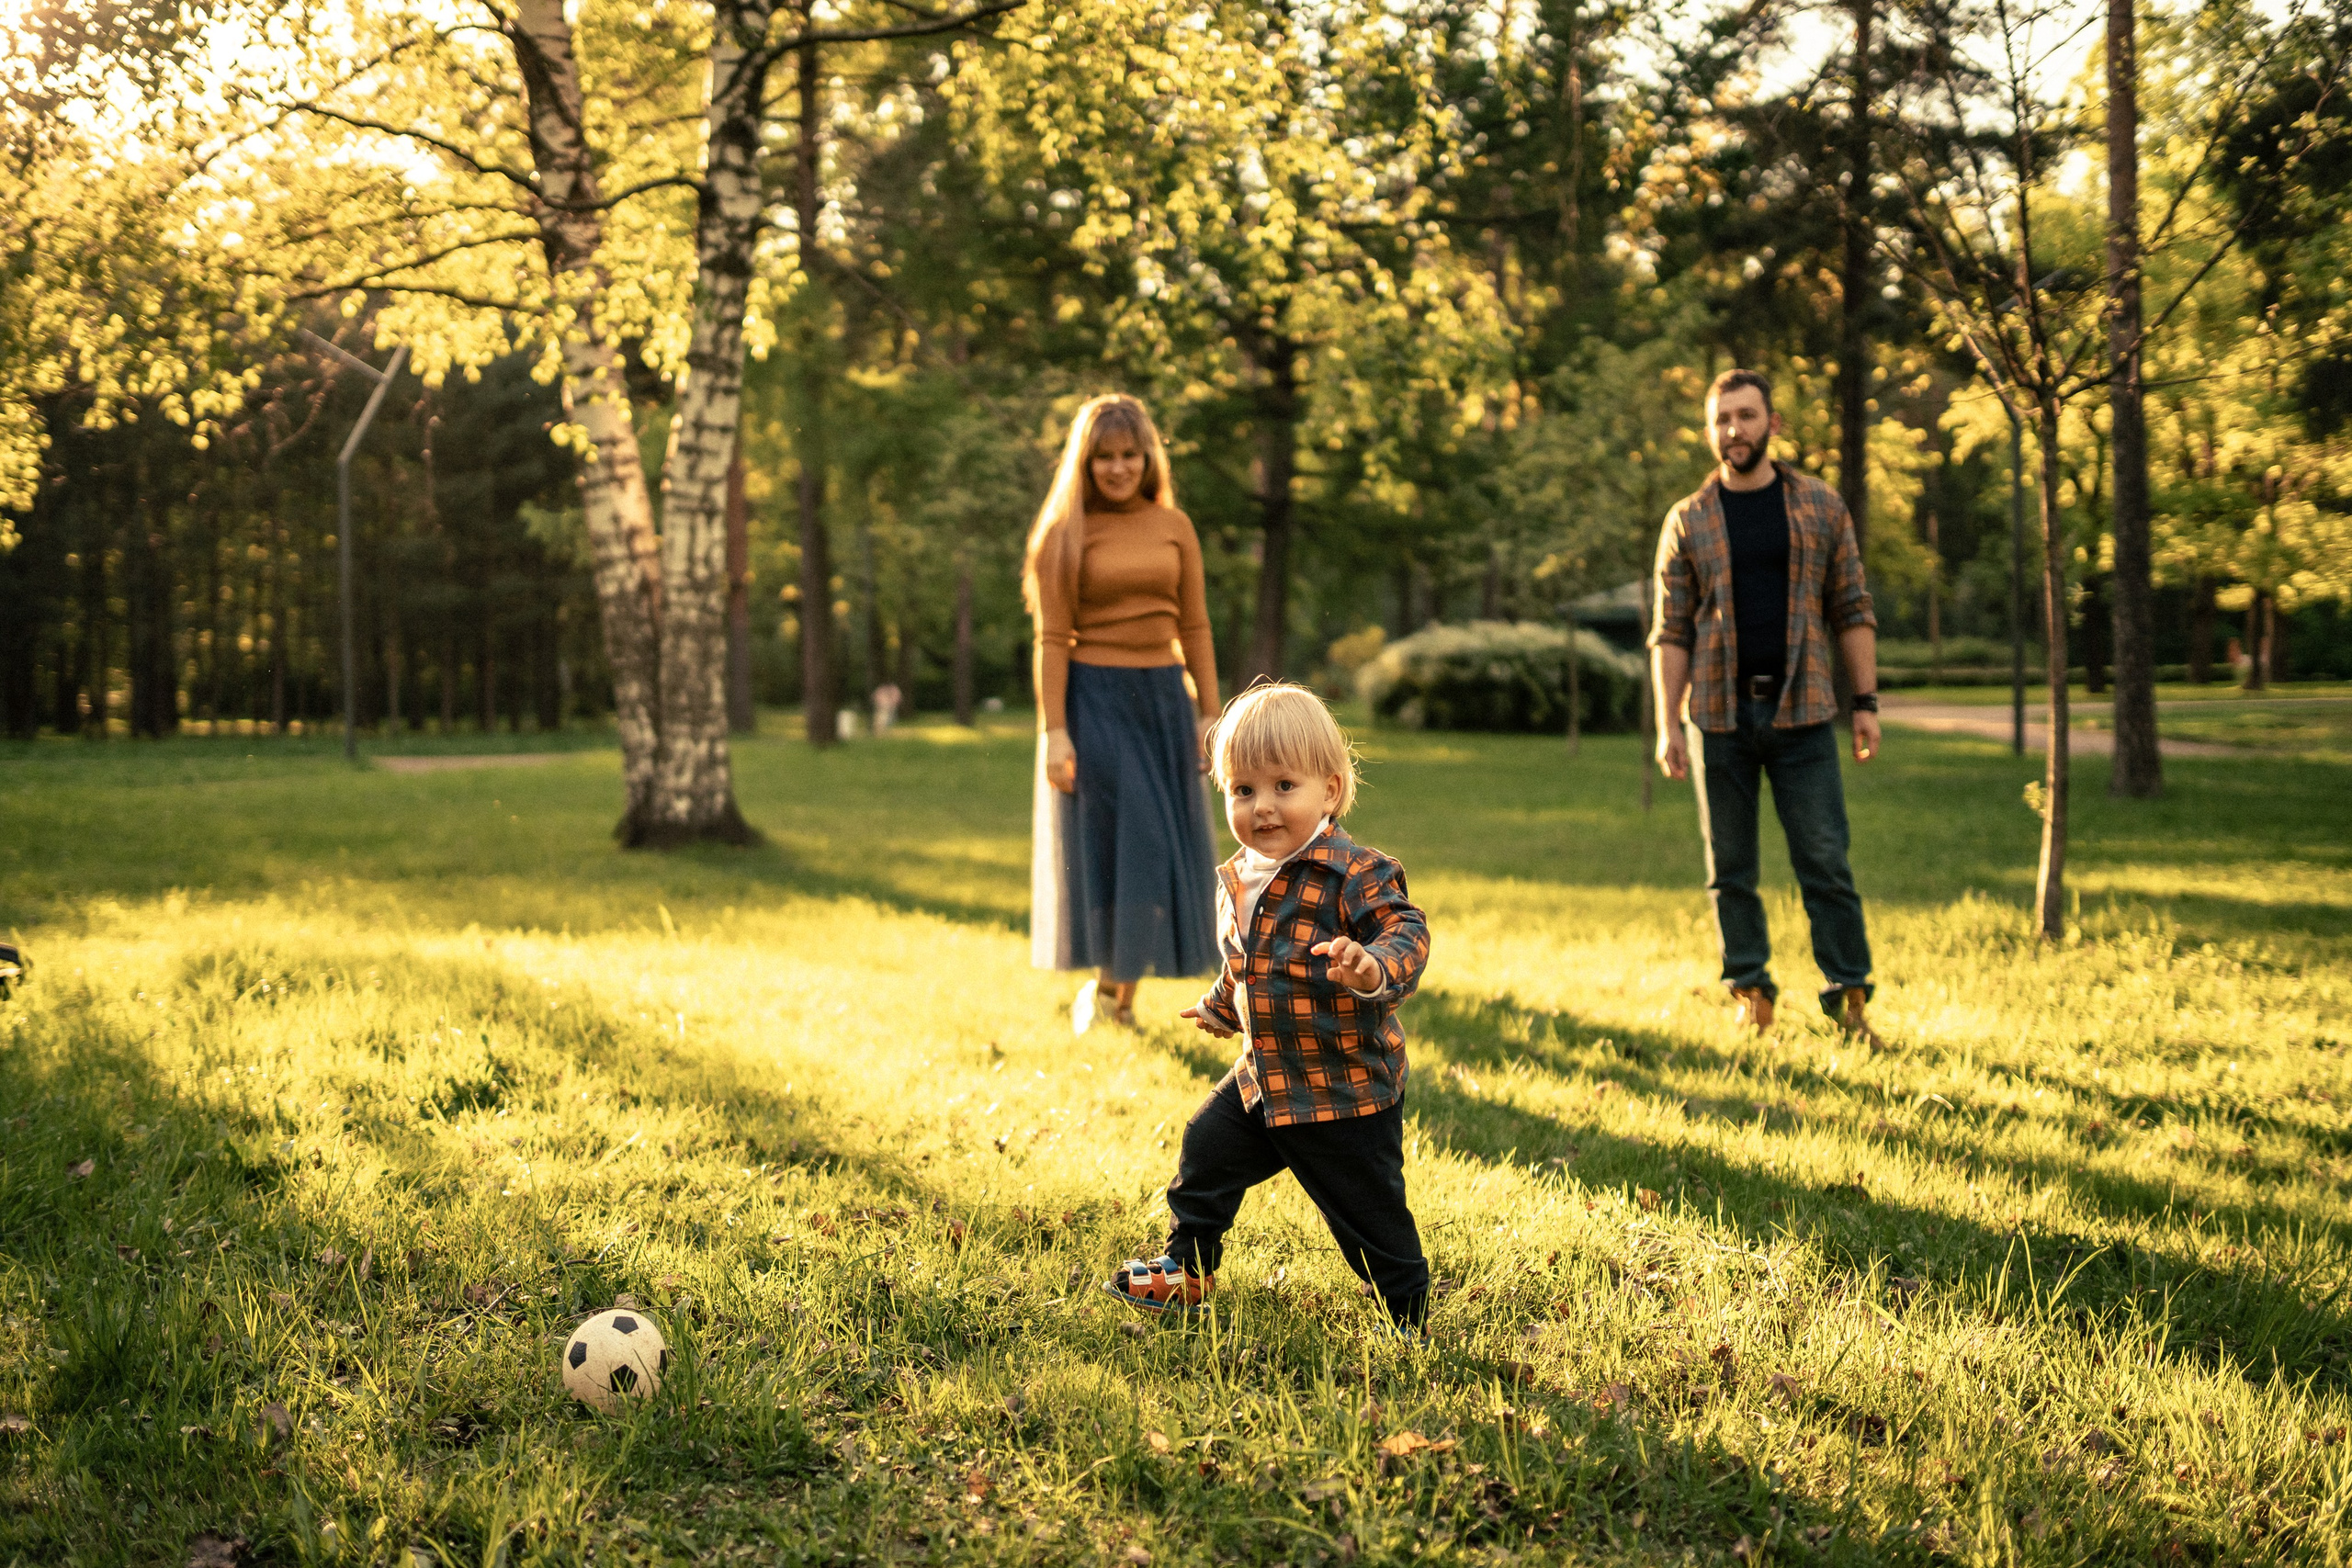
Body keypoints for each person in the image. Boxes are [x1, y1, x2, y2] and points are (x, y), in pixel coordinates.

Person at [1104, 683, 1433, 1336]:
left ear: (1330, 791)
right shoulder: (1237, 877)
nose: (1262, 807)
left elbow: (1407, 931)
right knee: (1206, 1148)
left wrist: (1372, 968)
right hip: (1266, 1078)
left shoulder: (1356, 873)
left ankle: (1408, 1311)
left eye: (1285, 785)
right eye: (1243, 789)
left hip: (1344, 1093)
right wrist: (1220, 1006)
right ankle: (1186, 1267)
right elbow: (1247, 964)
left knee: (1368, 1217)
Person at [1648, 368, 1884, 1042]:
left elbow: (1852, 607)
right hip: (1717, 720)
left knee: (1825, 859)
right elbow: (1671, 631)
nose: (1735, 430)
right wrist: (1668, 723)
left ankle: (1850, 1000)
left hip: (1805, 714)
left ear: (1772, 422)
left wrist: (1863, 701)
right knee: (1730, 870)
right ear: (1709, 429)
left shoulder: (1819, 506)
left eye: (1747, 416)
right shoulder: (1689, 519)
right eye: (1723, 419)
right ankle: (1751, 994)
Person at [1023, 394, 1223, 1031]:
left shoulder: (1175, 527)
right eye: (1104, 456)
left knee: (1160, 846)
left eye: (1129, 454)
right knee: (1118, 846)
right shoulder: (1063, 533)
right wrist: (1054, 731)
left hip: (1165, 699)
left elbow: (1194, 624)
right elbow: (1052, 639)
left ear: (1147, 457)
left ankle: (1114, 996)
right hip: (1095, 701)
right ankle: (1111, 994)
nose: (1117, 468)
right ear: (1085, 462)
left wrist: (1209, 713)